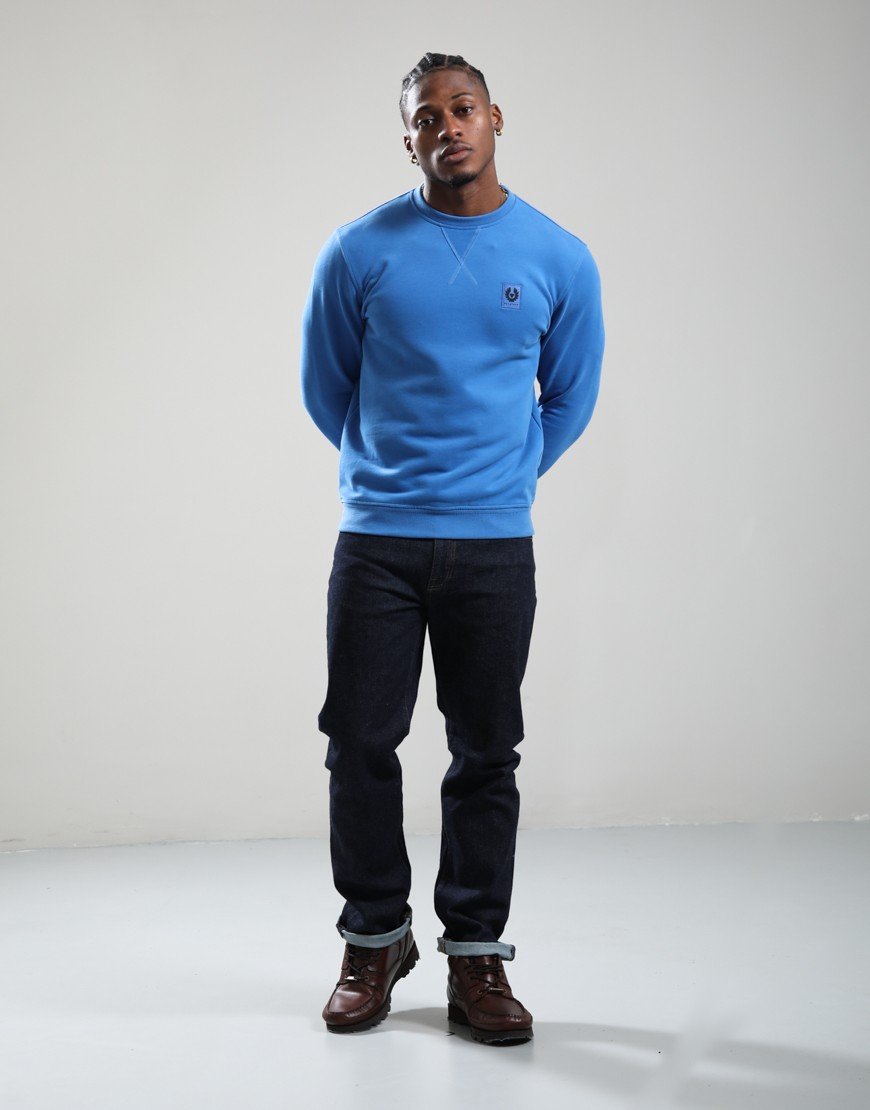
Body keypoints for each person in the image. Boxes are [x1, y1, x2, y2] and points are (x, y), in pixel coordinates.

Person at [299, 51, 605, 1045]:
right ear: (409, 140)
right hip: (378, 543)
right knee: (359, 742)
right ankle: (375, 939)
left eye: (462, 108)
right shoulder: (359, 250)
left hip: (493, 549)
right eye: (427, 117)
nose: (448, 127)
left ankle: (476, 955)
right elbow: (325, 388)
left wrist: (504, 478)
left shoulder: (558, 256)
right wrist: (388, 471)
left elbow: (570, 394)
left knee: (485, 752)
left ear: (495, 117)